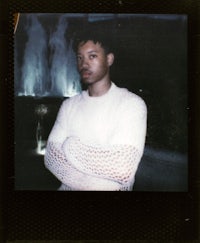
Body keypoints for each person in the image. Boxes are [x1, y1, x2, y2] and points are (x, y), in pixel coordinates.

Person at [44, 28, 147, 191]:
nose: (84, 64)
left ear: (109, 59)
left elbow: (122, 169)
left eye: (92, 56)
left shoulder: (131, 104)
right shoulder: (69, 105)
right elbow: (51, 158)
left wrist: (71, 146)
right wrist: (96, 176)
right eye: (80, 58)